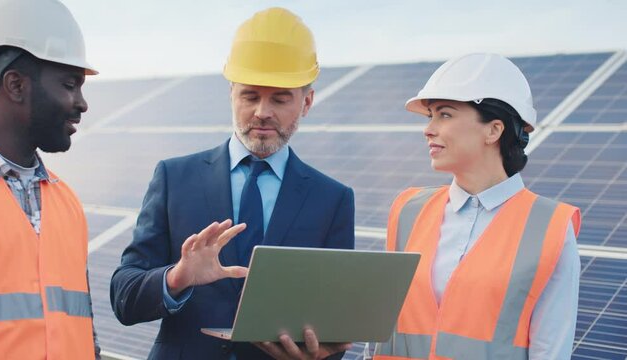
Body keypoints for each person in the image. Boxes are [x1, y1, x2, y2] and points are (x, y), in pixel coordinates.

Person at [109, 7, 355, 360]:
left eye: (280, 98)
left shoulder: (332, 199)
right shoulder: (174, 178)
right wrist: (177, 277)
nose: (262, 112)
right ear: (231, 94)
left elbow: (335, 322)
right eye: (250, 96)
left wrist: (321, 354)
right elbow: (124, 298)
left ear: (307, 102)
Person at [374, 53, 581, 360]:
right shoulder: (407, 210)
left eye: (444, 115)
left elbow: (550, 351)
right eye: (429, 115)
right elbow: (383, 329)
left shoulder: (549, 226)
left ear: (493, 130)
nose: (428, 129)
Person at [0, 0, 100, 358]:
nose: (82, 103)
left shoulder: (67, 203)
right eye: (70, 84)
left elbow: (86, 332)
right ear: (16, 86)